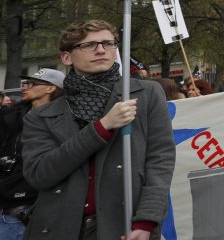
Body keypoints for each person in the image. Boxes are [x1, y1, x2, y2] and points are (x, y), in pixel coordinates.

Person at [21, 20, 175, 240]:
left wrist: (147, 219)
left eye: (108, 43)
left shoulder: (146, 93)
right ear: (66, 57)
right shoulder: (41, 116)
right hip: (59, 227)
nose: (101, 50)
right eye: (89, 45)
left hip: (125, 224)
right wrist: (102, 127)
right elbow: (40, 174)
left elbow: (160, 160)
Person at [0, 69, 64, 240]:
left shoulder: (63, 122)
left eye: (32, 83)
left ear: (50, 88)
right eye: (25, 83)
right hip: (5, 207)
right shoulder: (11, 117)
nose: (25, 87)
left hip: (32, 209)